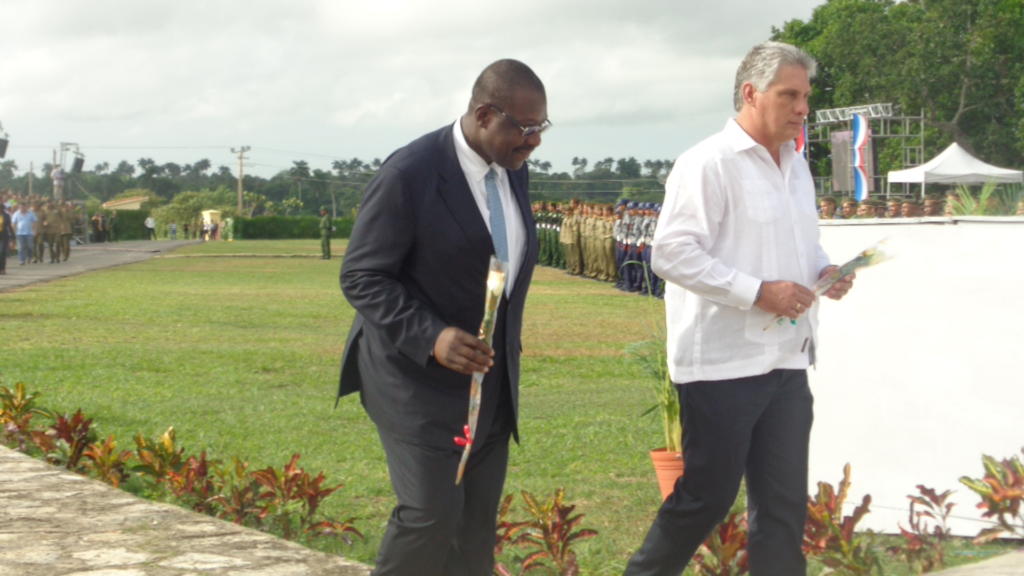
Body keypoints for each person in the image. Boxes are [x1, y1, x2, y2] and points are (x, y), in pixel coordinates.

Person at [624, 41, 855, 576]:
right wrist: (759, 291)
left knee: (782, 507)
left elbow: (800, 244)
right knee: (705, 498)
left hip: (788, 359)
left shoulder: (797, 165)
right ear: (751, 93)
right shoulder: (707, 164)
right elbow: (671, 254)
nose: (803, 109)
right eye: (790, 95)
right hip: (723, 365)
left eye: (806, 97)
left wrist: (824, 272)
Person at [337, 58, 547, 576]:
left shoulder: (512, 170)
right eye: (523, 128)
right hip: (414, 377)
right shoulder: (410, 173)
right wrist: (432, 336)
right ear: (483, 114)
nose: (533, 141)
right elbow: (362, 275)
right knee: (429, 515)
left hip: (490, 381)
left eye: (541, 128)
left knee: (475, 528)